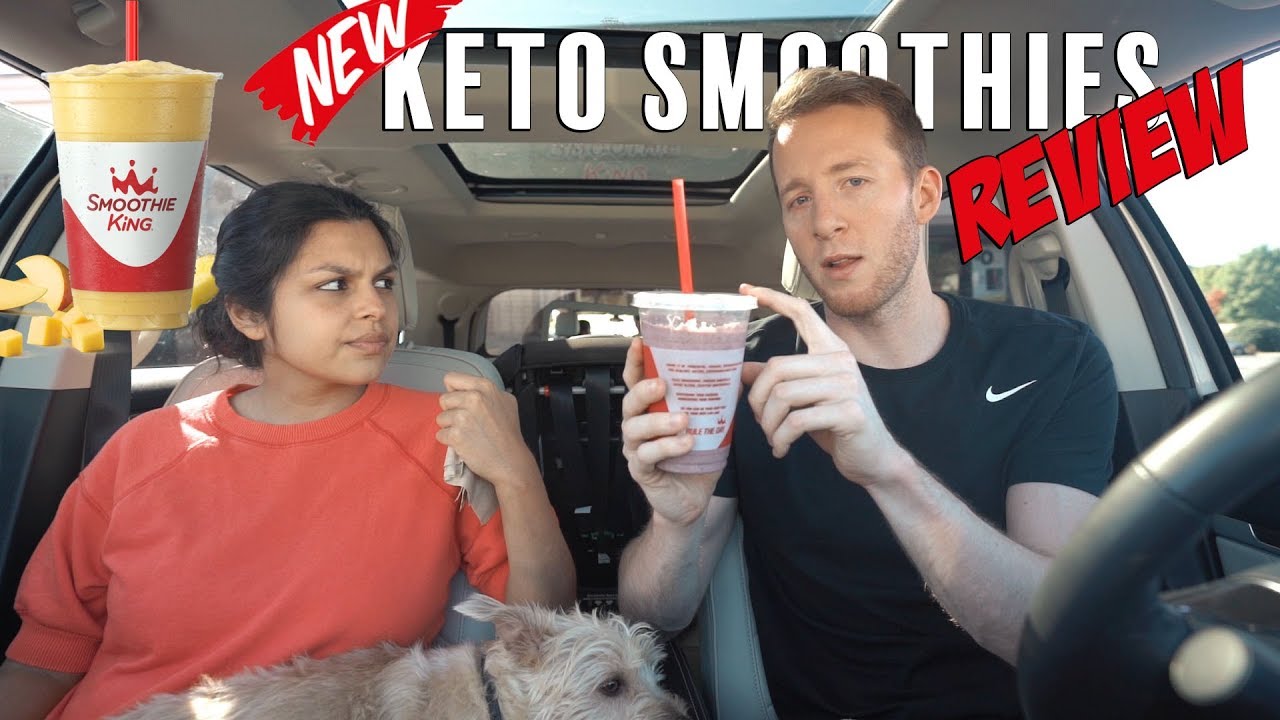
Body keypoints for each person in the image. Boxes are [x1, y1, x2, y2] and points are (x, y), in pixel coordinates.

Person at [618, 68, 1118, 719]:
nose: (825, 221)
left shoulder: (1052, 359)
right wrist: (676, 522)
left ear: (924, 194)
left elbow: (1049, 634)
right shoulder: (742, 370)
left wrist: (886, 470)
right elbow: (655, 615)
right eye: (799, 198)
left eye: (853, 181)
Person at [0, 182, 575, 719]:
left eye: (383, 282)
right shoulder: (144, 447)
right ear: (248, 315)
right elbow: (46, 657)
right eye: (335, 285)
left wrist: (516, 471)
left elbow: (542, 628)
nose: (375, 307)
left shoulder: (446, 432)